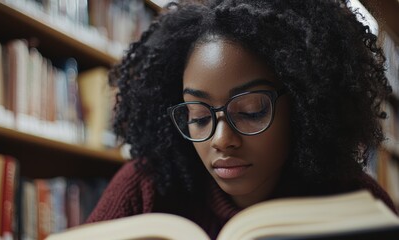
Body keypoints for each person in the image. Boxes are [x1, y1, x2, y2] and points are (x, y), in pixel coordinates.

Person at [87, 0, 397, 238]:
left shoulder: (357, 202)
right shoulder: (143, 188)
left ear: (303, 106)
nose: (221, 139)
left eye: (251, 111)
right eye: (197, 115)